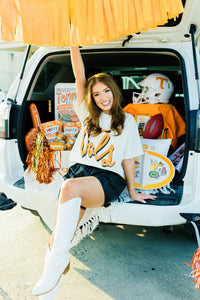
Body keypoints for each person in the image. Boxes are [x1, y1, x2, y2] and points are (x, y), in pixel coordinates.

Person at [32, 46, 155, 297]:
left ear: (114, 91)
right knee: (56, 241)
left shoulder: (127, 120)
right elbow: (79, 76)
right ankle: (53, 281)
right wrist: (73, 42)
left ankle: (50, 272)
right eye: (97, 94)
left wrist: (133, 191)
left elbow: (129, 159)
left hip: (107, 179)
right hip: (80, 174)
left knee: (68, 187)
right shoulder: (88, 114)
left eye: (106, 91)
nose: (102, 97)